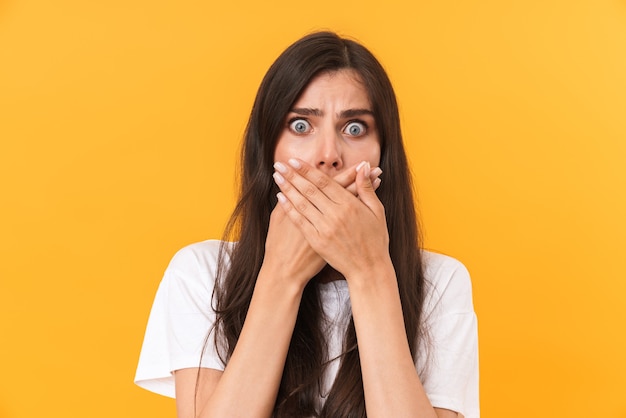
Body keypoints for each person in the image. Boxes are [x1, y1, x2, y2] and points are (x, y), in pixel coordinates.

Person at [135, 31, 479, 418]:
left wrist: (371, 271)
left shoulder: (441, 281)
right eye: (301, 126)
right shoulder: (201, 273)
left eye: (354, 128)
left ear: (384, 152)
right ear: (268, 149)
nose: (329, 156)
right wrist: (282, 274)